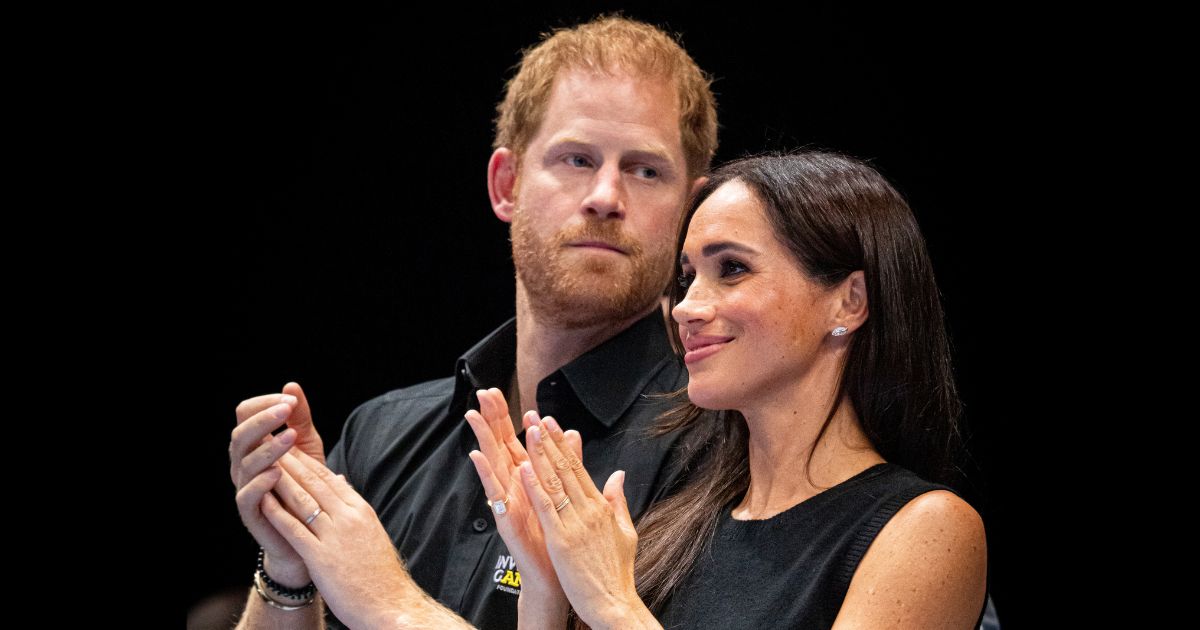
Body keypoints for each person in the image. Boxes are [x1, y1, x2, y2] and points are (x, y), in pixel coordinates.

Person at [227, 16, 718, 629]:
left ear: (692, 211)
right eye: (576, 159)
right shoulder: (382, 433)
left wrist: (391, 605)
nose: (605, 195)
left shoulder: (722, 450)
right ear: (506, 184)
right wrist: (287, 567)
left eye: (646, 170)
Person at [469, 152, 989, 629]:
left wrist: (612, 603)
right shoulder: (675, 521)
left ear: (848, 303)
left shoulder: (928, 531)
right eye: (688, 276)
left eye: (732, 269)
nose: (685, 308)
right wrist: (544, 584)